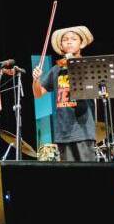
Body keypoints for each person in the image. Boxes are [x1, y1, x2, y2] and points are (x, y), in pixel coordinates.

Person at [32, 26, 96, 162]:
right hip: (63, 131)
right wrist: (36, 79)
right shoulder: (56, 69)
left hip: (83, 130)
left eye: (74, 39)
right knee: (70, 177)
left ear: (81, 43)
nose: (69, 42)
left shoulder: (87, 65)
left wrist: (74, 64)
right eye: (65, 40)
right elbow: (38, 94)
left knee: (89, 175)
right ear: (61, 45)